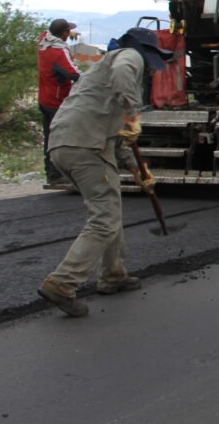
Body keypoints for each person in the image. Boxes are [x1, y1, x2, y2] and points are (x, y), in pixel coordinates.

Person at [36, 26, 173, 318]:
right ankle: (62, 283)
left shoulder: (103, 80)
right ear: (145, 52)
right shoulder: (128, 56)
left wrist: (140, 173)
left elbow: (121, 140)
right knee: (104, 219)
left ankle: (113, 274)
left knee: (108, 209)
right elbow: (126, 79)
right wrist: (133, 112)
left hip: (69, 142)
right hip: (85, 145)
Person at [37, 18, 81, 188]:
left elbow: (46, 35)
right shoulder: (58, 51)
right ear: (63, 34)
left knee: (49, 137)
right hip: (57, 101)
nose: (69, 34)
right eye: (68, 32)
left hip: (44, 98)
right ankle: (57, 174)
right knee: (60, 138)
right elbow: (73, 73)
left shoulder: (44, 43)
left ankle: (52, 172)